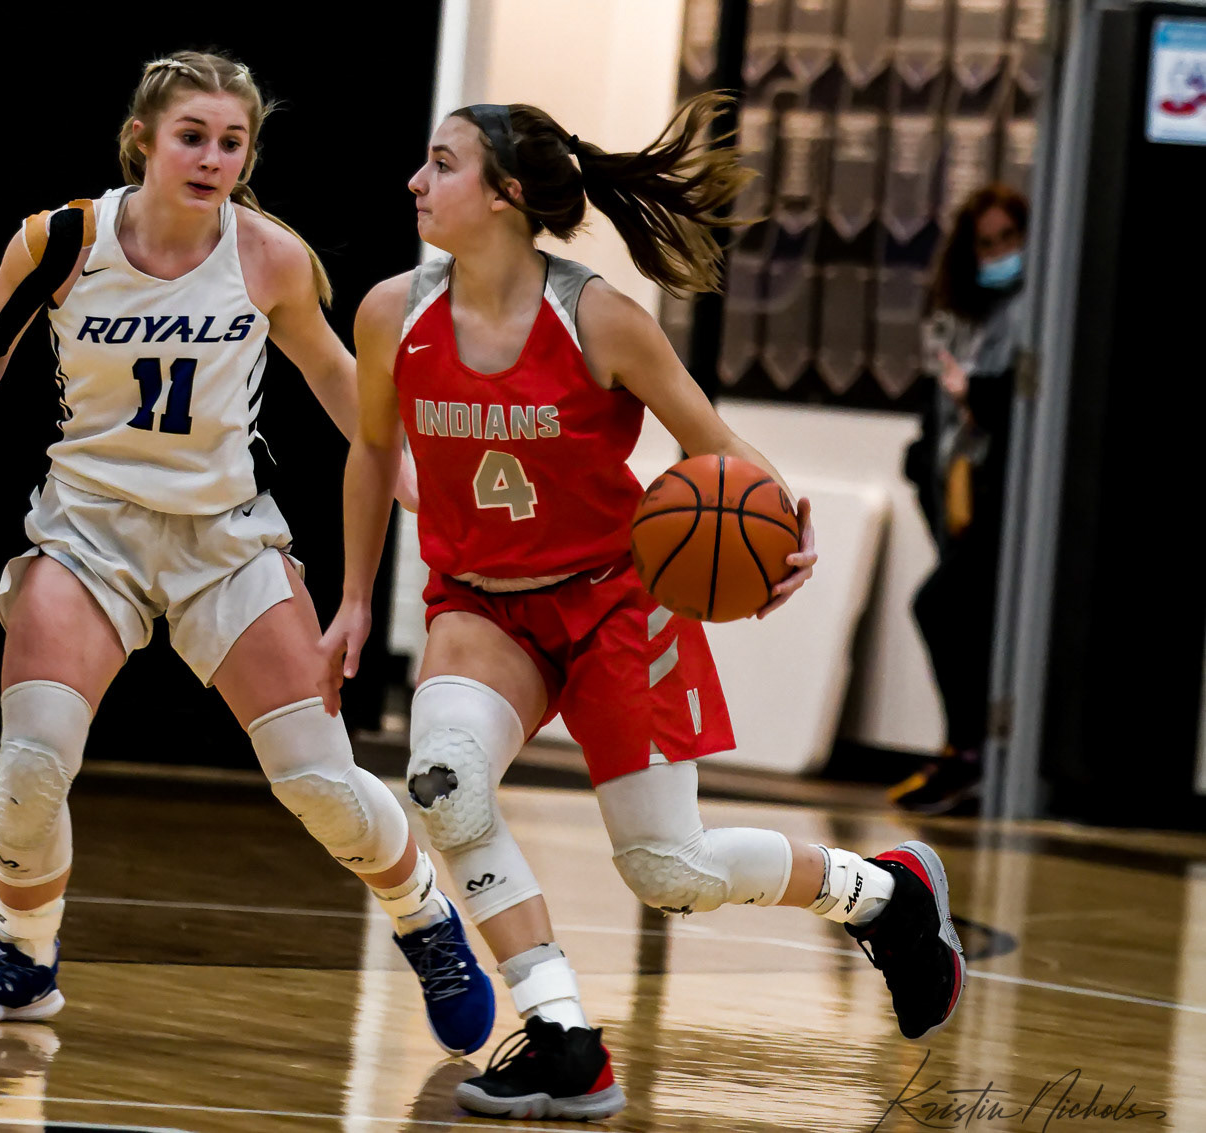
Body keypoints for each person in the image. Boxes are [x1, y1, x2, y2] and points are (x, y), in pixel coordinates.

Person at [318, 96, 967, 1121]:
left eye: (440, 164)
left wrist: (784, 529)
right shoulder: (392, 311)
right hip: (479, 607)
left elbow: (714, 444)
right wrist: (354, 596)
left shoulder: (598, 318)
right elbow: (370, 449)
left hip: (613, 602)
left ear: (506, 194)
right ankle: (563, 1035)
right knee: (445, 786)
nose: (415, 182)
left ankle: (884, 894)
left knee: (670, 870)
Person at [0, 50, 496, 1054]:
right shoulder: (61, 239)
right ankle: (23, 956)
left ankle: (425, 918)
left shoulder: (269, 256)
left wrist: (404, 472)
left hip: (225, 539)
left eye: (231, 142)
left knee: (318, 782)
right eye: (192, 137)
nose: (213, 158)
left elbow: (335, 374)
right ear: (142, 140)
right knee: (30, 766)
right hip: (88, 529)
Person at [893, 184, 1029, 816]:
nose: (1001, 253)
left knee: (939, 606)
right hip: (963, 503)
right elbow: (938, 419)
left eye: (1010, 238)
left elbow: (1014, 408)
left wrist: (975, 395)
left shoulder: (1032, 315)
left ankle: (971, 751)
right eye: (988, 243)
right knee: (954, 616)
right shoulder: (967, 323)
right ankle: (962, 749)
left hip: (1010, 511)